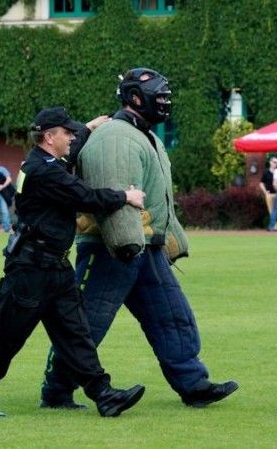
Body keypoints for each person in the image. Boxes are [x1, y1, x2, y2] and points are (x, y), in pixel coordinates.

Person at [40, 68, 238, 410]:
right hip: (113, 249)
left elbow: (157, 196)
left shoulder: (145, 136)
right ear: (134, 97)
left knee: (173, 316)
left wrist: (166, 238)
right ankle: (57, 389)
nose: (164, 103)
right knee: (87, 322)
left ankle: (193, 384)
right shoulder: (116, 137)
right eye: (159, 97)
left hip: (147, 247)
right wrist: (126, 241)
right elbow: (115, 190)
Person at [0, 106, 148, 418]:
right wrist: (125, 197)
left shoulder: (43, 162)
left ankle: (104, 394)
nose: (72, 137)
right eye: (67, 133)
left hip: (55, 266)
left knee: (75, 333)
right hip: (30, 269)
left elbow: (68, 164)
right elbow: (83, 196)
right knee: (8, 335)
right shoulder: (44, 171)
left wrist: (87, 129)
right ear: (50, 137)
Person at [259, 156, 277, 230]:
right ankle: (274, 226)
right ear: (270, 162)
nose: (276, 164)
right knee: (272, 211)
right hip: (269, 194)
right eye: (274, 162)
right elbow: (261, 183)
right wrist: (265, 192)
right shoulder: (266, 172)